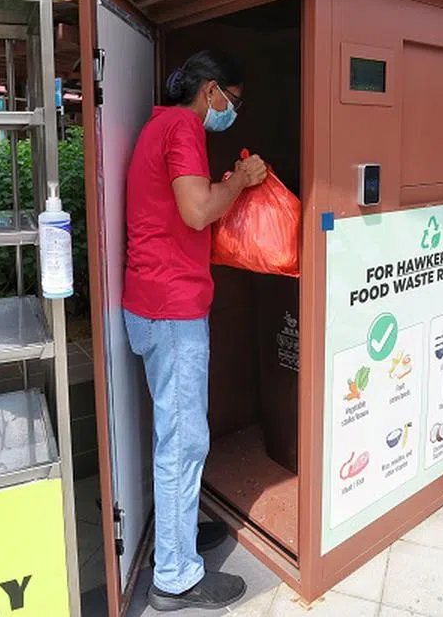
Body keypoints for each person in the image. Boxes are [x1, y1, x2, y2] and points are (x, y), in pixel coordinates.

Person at [122, 50, 267, 612]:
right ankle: (175, 576)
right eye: (232, 99)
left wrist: (226, 184)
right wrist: (243, 181)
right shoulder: (183, 127)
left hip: (151, 302)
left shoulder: (159, 124)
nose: (232, 110)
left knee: (175, 433)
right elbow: (197, 210)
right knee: (184, 443)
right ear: (211, 91)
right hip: (172, 309)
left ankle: (175, 540)